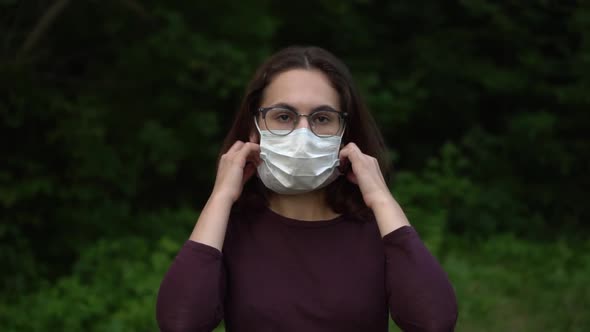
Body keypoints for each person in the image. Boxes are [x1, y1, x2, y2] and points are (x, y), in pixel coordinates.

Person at [156, 46, 458, 332]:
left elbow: (434, 322)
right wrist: (221, 197)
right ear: (254, 131)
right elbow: (180, 323)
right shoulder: (227, 231)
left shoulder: (379, 231)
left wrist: (380, 199)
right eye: (283, 116)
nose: (303, 134)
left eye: (322, 118)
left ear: (345, 135)